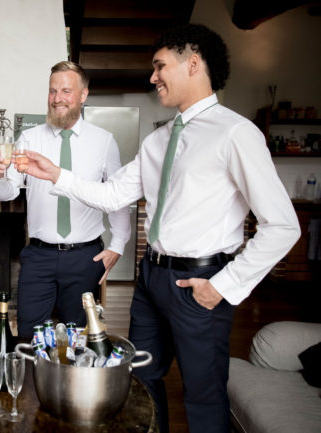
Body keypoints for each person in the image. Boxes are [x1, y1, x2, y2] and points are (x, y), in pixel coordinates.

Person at [20, 25, 301, 433]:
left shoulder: (236, 134)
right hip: (150, 280)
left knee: (203, 395)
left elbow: (283, 226)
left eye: (159, 66)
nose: (152, 77)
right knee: (141, 382)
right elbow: (112, 195)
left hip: (201, 282)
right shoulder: (157, 141)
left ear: (193, 63)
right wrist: (56, 174)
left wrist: (223, 285)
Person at [0, 61, 131, 338]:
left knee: (79, 339)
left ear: (83, 94)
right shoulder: (28, 139)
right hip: (38, 256)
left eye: (66, 91)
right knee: (29, 337)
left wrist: (118, 245)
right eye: (52, 91)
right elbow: (8, 193)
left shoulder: (104, 141)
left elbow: (117, 196)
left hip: (85, 257)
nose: (57, 99)